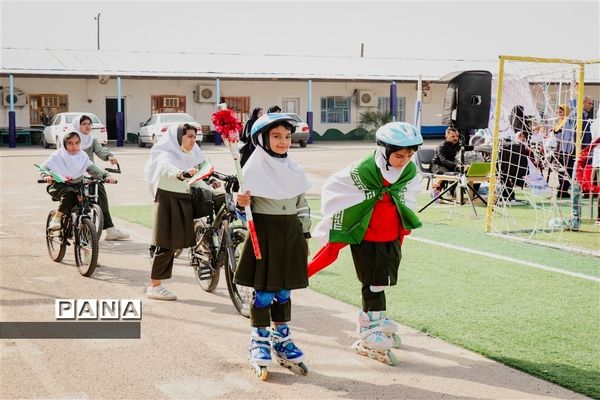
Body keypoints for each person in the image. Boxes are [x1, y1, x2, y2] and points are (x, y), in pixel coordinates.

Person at [308, 122, 422, 365]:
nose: (404, 160)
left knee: (385, 275)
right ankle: (368, 326)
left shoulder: (409, 170)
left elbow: (409, 192)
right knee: (373, 281)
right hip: (367, 233)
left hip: (391, 232)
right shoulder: (362, 170)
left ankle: (377, 319)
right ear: (384, 150)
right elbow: (335, 187)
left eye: (409, 155)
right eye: (399, 155)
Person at [233, 113, 311, 377]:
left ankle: (282, 337)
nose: (283, 142)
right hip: (264, 234)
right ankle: (259, 339)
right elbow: (244, 215)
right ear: (262, 139)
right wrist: (241, 203)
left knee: (285, 291)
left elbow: (303, 206)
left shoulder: (295, 169)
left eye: (287, 136)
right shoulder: (250, 170)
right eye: (276, 136)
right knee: (264, 292)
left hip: (291, 235)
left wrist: (305, 235)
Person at [143, 123, 220, 300]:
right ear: (178, 137)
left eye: (195, 136)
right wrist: (182, 174)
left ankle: (206, 251)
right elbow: (167, 168)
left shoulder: (193, 152)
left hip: (187, 196)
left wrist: (210, 180)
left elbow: (201, 170)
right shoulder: (165, 153)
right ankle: (154, 286)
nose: (193, 140)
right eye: (189, 136)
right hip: (169, 198)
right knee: (166, 241)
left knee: (217, 201)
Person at [40, 132, 116, 230]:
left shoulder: (82, 156)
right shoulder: (58, 155)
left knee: (85, 204)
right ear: (64, 144)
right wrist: (46, 175)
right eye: (70, 143)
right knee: (70, 194)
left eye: (77, 143)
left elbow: (92, 168)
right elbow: (43, 167)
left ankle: (84, 233)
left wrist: (106, 176)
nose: (74, 146)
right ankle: (57, 218)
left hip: (78, 186)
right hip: (59, 186)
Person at [72, 114, 129, 240]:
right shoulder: (70, 139)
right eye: (84, 124)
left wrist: (109, 157)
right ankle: (76, 227)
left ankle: (110, 229)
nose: (88, 126)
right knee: (76, 201)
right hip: (73, 175)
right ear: (78, 125)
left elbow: (100, 149)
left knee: (101, 195)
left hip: (90, 172)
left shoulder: (91, 139)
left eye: (89, 124)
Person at [431, 127, 461, 195]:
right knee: (448, 173)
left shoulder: (457, 145)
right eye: (453, 136)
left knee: (460, 173)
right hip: (437, 165)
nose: (456, 138)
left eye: (457, 136)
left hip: (448, 165)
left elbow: (459, 157)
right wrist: (456, 165)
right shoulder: (441, 146)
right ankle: (436, 193)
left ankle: (452, 191)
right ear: (446, 136)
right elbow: (443, 160)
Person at [553, 104, 574, 198]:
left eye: (561, 112)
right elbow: (557, 136)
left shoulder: (569, 121)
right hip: (559, 150)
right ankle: (562, 189)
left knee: (569, 169)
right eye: (557, 112)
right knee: (560, 170)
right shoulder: (558, 123)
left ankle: (564, 188)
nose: (559, 114)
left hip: (568, 150)